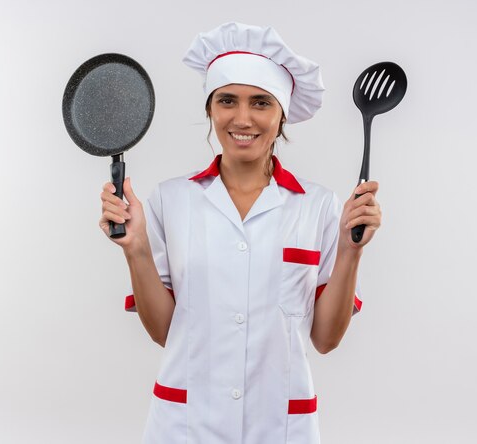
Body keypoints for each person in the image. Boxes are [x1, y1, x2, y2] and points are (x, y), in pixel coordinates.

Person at [98, 22, 381, 444]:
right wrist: (135, 248)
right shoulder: (170, 201)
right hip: (187, 425)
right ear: (211, 108)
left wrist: (349, 250)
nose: (242, 118)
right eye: (227, 100)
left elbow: (325, 339)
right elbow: (163, 332)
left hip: (281, 427)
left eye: (261, 103)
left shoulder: (319, 207)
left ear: (282, 113)